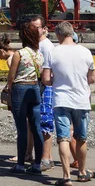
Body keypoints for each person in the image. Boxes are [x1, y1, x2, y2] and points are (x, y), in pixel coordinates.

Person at [42, 21, 95, 185]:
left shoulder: (53, 52)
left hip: (61, 100)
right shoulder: (86, 52)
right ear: (72, 34)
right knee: (81, 138)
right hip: (81, 100)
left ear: (58, 35)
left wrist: (56, 81)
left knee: (63, 138)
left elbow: (45, 79)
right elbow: (92, 78)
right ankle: (81, 172)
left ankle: (66, 177)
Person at [7, 22, 44, 175]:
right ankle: (37, 165)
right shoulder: (39, 54)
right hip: (35, 89)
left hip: (20, 89)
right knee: (36, 128)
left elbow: (11, 76)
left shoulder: (19, 54)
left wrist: (9, 90)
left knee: (22, 128)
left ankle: (21, 164)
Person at [31, 15, 56, 171]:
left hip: (45, 87)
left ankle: (45, 159)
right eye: (31, 27)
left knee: (44, 123)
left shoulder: (46, 46)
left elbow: (48, 71)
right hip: (39, 85)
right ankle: (47, 157)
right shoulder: (37, 44)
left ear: (44, 29)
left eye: (36, 27)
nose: (33, 30)